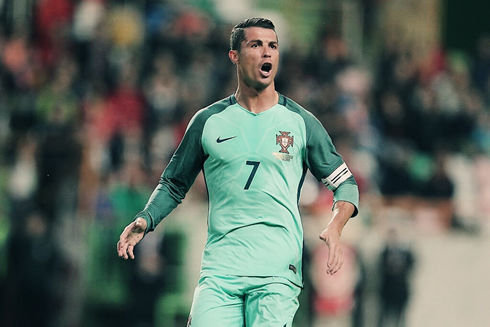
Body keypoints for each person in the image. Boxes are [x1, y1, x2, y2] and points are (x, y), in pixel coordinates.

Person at [117, 17, 359, 327]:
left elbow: (346, 184)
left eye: (272, 46)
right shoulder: (208, 122)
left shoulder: (301, 123)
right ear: (234, 56)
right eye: (255, 45)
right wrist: (146, 218)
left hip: (276, 272)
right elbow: (174, 184)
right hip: (220, 270)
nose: (266, 52)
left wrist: (337, 225)